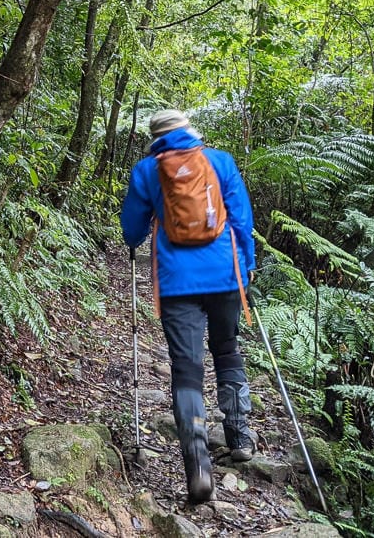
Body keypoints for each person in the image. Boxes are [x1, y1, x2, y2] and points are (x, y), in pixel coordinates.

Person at [120, 109, 257, 505]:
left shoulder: (147, 170)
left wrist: (142, 230)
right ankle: (239, 435)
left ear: (156, 138)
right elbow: (242, 221)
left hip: (177, 282)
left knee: (186, 368)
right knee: (227, 349)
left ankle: (197, 465)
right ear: (189, 131)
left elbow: (132, 229)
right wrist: (244, 268)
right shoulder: (220, 161)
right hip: (225, 276)